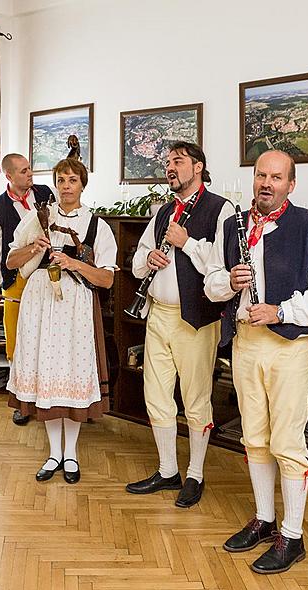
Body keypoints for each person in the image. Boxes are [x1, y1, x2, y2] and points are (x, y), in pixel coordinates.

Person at [204, 150, 308, 574]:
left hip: (288, 347)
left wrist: (281, 311)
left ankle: (293, 537)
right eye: (261, 175)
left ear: (291, 184)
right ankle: (265, 521)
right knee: (255, 438)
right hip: (245, 343)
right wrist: (227, 281)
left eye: (276, 177)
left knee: (287, 443)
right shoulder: (232, 226)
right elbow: (211, 285)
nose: (267, 183)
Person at [125, 142, 233, 508]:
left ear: (198, 166)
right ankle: (168, 470)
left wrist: (187, 243)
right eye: (168, 162)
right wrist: (148, 257)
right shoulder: (162, 212)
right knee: (155, 395)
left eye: (178, 161)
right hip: (159, 315)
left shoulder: (221, 209)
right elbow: (137, 259)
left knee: (197, 399)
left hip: (197, 320)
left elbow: (223, 265)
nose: (170, 167)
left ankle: (195, 475)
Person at [6, 158, 116, 483]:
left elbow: (107, 280)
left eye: (72, 179)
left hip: (76, 307)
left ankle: (72, 455)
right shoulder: (39, 217)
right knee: (47, 378)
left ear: (83, 184)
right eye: (61, 179)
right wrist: (32, 248)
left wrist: (73, 263)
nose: (66, 185)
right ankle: (54, 453)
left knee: (72, 376)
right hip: (40, 304)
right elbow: (12, 259)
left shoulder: (97, 225)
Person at [0, 153, 54, 426]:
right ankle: (21, 402)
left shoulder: (46, 194)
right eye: (22, 171)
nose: (29, 174)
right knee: (17, 344)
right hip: (16, 280)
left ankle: (49, 398)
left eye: (30, 169)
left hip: (48, 275)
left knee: (47, 341)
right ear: (8, 175)